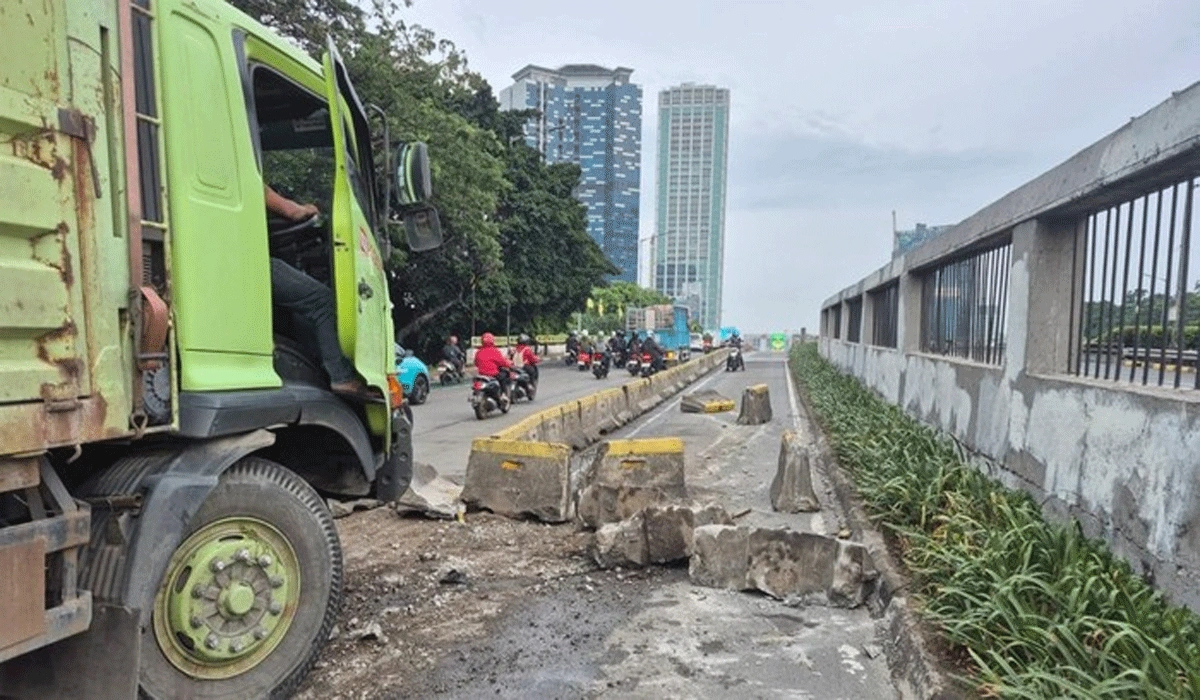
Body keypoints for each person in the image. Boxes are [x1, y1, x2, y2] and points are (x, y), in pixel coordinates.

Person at [264, 186, 370, 399]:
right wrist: (305, 209)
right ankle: (341, 377)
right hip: (250, 262)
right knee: (322, 301)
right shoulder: (243, 173)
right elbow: (292, 211)